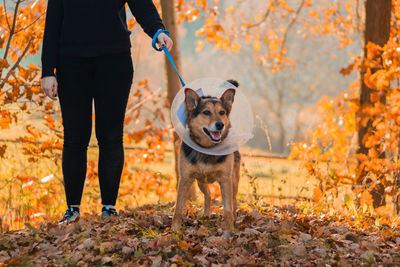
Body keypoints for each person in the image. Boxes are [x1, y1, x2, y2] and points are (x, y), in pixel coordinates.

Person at [40, 0, 173, 223]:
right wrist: (47, 71)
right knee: (75, 137)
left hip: (114, 62)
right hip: (71, 65)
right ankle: (72, 210)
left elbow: (142, 6)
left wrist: (158, 30)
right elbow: (52, 23)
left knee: (111, 137)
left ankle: (108, 209)